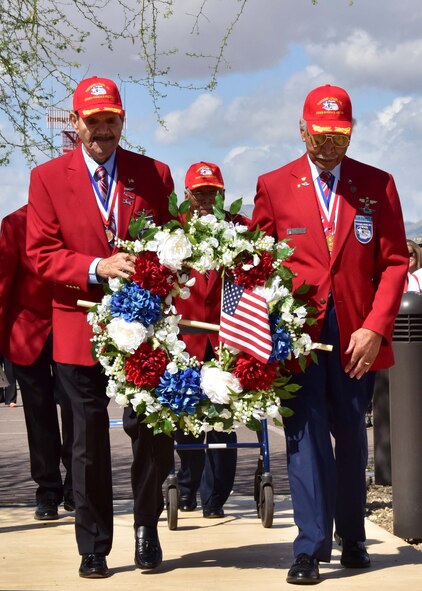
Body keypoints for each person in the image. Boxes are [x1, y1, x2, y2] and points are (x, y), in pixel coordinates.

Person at [250, 84, 408, 584]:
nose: (328, 143)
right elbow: (255, 265)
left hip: (356, 335)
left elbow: (395, 263)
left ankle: (353, 536)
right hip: (297, 335)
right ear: (302, 129)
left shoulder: (377, 184)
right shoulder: (274, 186)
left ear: (351, 132)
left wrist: (375, 329)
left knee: (351, 439)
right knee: (305, 437)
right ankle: (310, 548)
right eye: (319, 133)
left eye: (338, 134)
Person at [26, 76, 175, 579]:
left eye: (111, 120)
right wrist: (97, 266)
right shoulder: (47, 177)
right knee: (87, 440)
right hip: (78, 327)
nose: (103, 130)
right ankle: (94, 544)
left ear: (122, 121)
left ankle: (147, 527)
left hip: (144, 329)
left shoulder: (154, 173)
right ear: (75, 124)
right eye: (93, 122)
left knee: (150, 431)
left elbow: (175, 244)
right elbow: (41, 256)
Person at [174, 162, 244, 518]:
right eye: (199, 192)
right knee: (185, 419)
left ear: (223, 195)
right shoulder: (171, 232)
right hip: (184, 339)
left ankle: (215, 497)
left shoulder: (242, 231)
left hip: (225, 342)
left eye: (212, 192)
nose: (205, 199)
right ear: (186, 195)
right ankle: (185, 489)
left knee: (221, 421)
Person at [0, 205, 74, 519]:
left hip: (71, 325)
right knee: (37, 411)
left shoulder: (76, 218)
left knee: (77, 408)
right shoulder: (15, 223)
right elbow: (3, 282)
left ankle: (76, 487)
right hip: (27, 330)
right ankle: (47, 491)